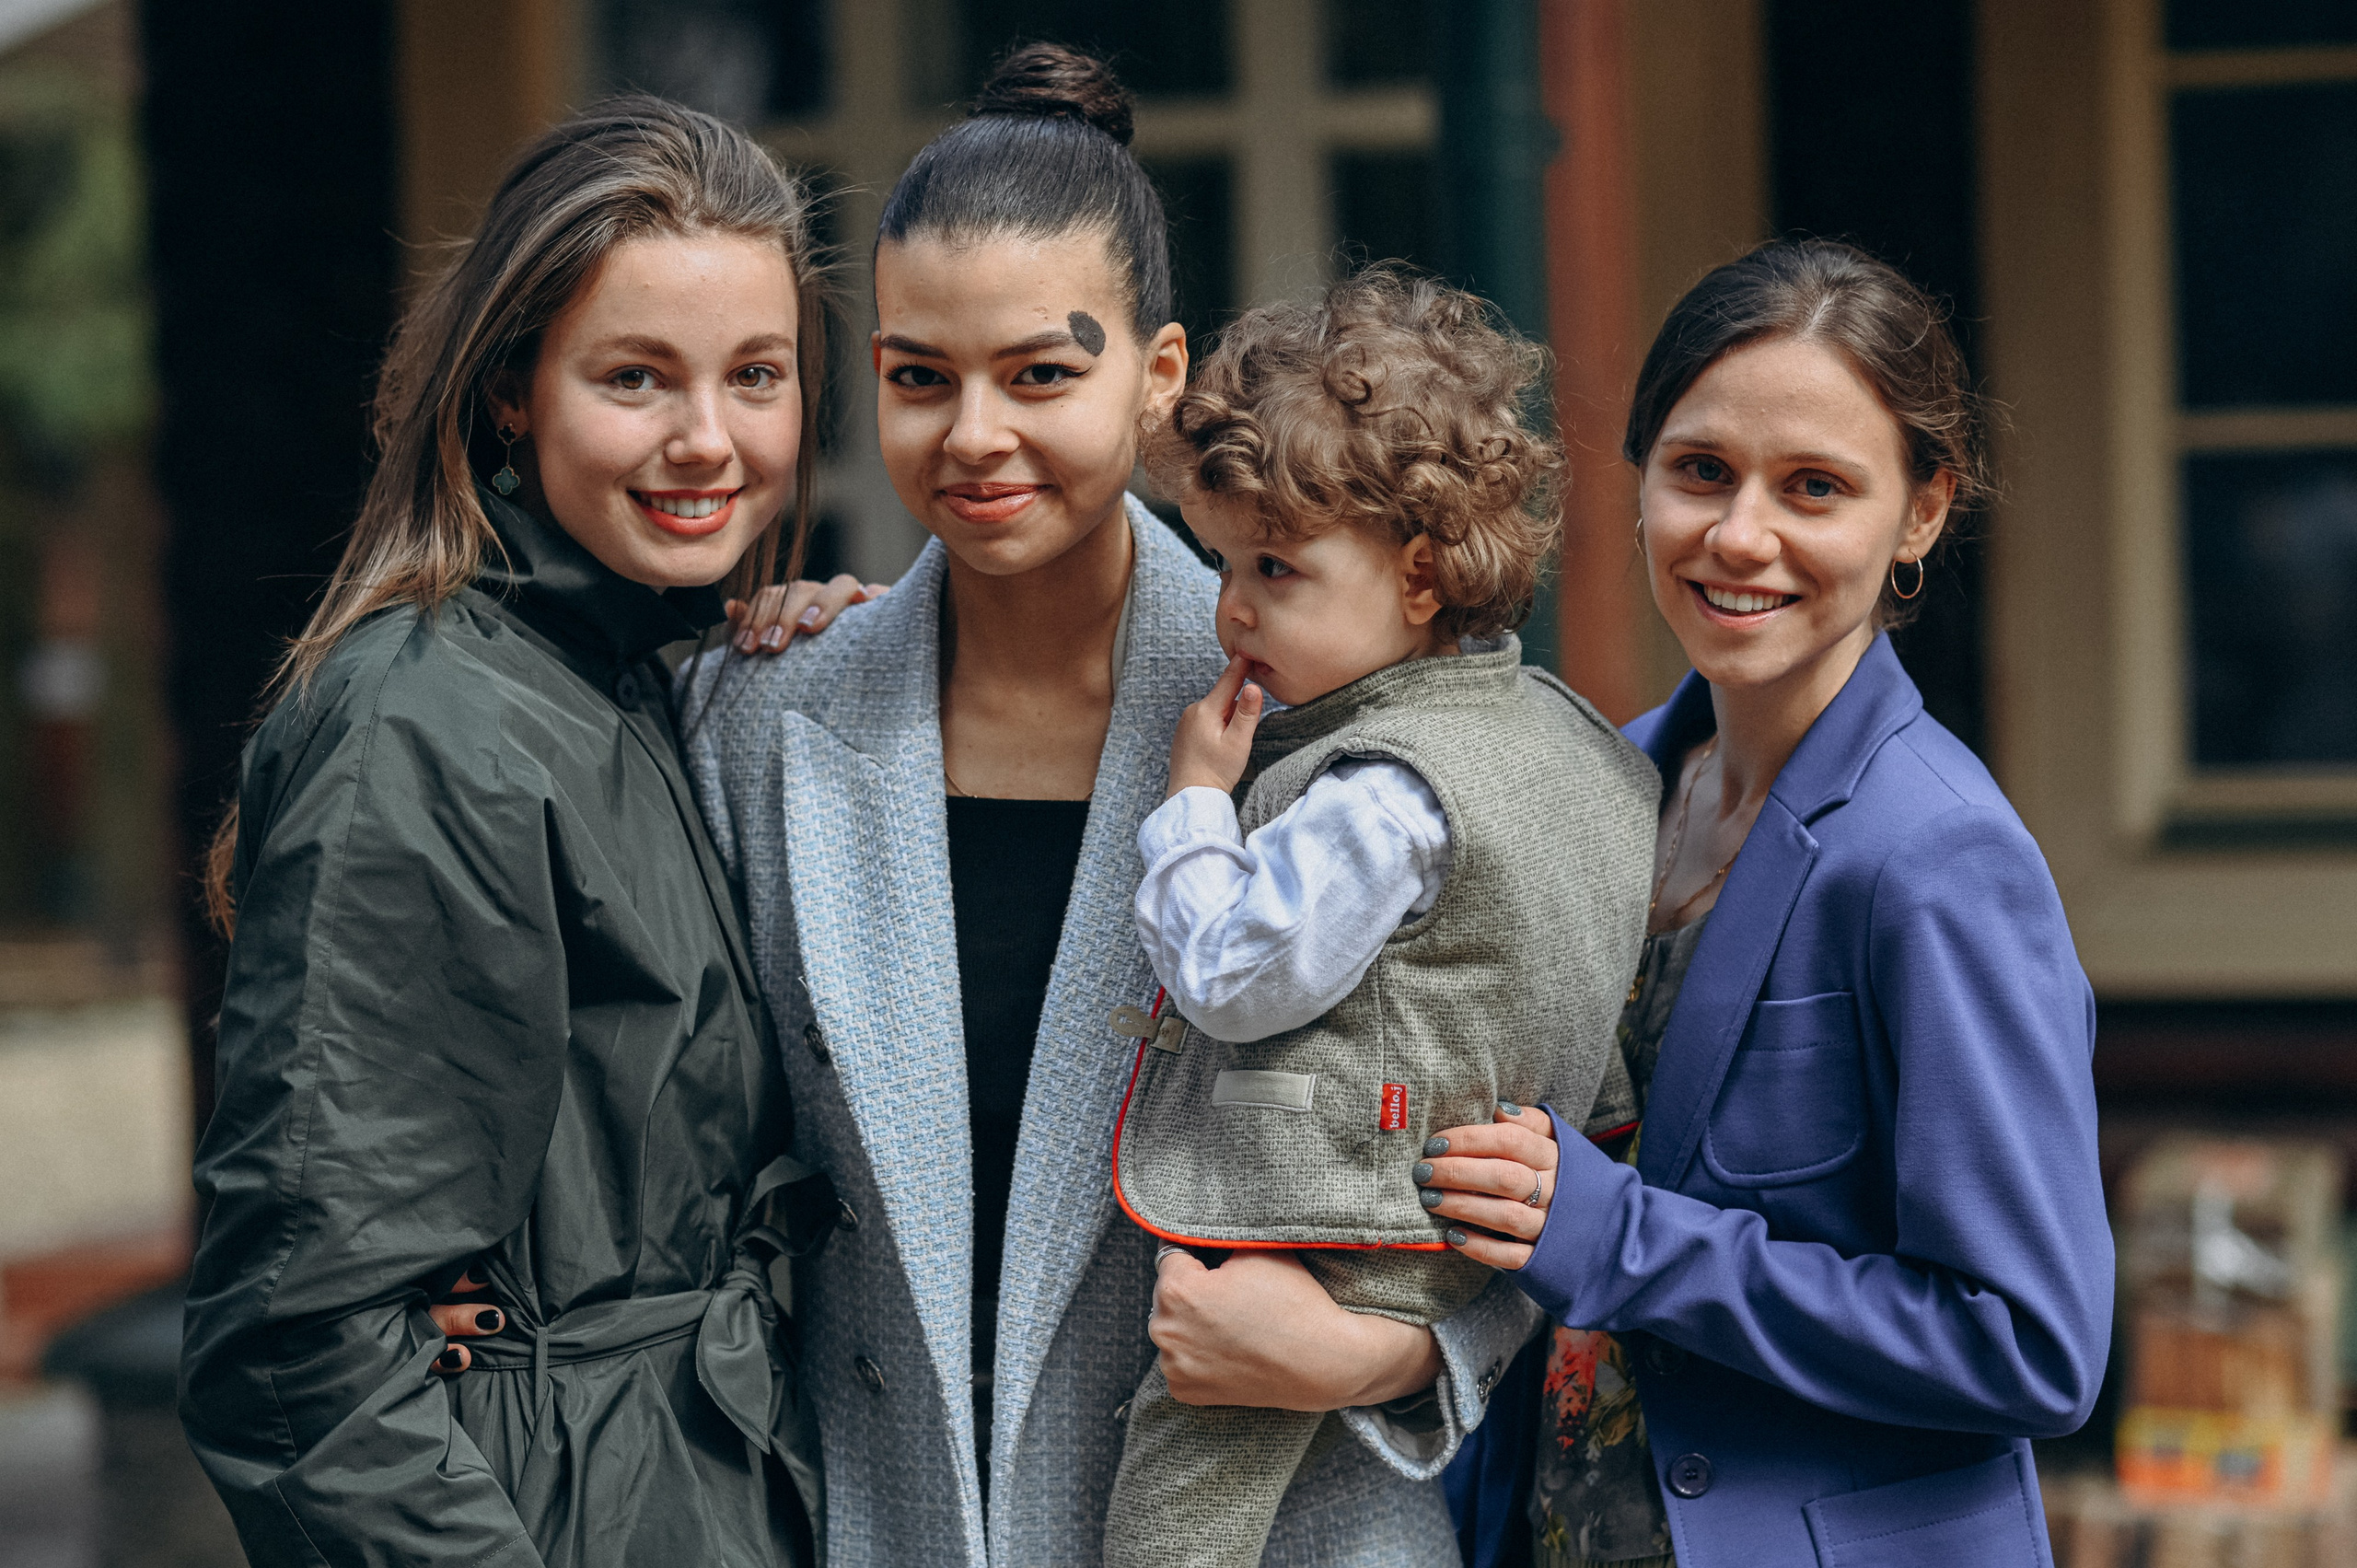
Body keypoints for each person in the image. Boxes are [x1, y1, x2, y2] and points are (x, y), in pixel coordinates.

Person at [681, 44, 1541, 1568]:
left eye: (1041, 373)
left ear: (1158, 376)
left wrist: (1387, 1355)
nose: (974, 436)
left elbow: (1532, 1139)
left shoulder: (1335, 726)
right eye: (918, 377)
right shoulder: (767, 717)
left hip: (1283, 1525)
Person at [180, 99, 852, 1568]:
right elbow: (296, 1349)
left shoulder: (635, 679)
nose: (707, 439)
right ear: (509, 392)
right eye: (634, 378)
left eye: (757, 376)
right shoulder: (422, 725)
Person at [1415, 240, 2112, 1568]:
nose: (1741, 535)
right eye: (1700, 472)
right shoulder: (1598, 790)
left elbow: (2028, 1343)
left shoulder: (1938, 857)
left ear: (1920, 512)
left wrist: (1620, 1239)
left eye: (1815, 488)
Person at [1099, 271, 1657, 1568]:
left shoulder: (1384, 793)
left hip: (1335, 1218)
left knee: (1173, 1517)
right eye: (1225, 562)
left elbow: (1236, 975)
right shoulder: (1569, 736)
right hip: (1481, 1226)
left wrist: (1193, 810)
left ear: (1418, 574)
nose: (1231, 607)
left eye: (1274, 568)